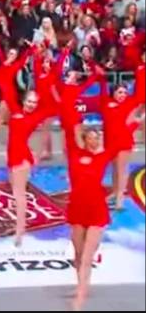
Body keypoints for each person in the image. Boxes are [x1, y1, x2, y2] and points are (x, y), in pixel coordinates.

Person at [64, 127, 127, 311]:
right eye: (91, 137)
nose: (95, 140)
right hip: (77, 209)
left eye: (97, 137)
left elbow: (119, 140)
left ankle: (80, 297)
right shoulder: (74, 154)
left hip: (96, 210)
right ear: (84, 139)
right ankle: (80, 286)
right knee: (78, 253)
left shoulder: (103, 156)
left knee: (86, 258)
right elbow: (70, 129)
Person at [6, 91, 53, 246]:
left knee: (20, 196)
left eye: (34, 102)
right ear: (24, 101)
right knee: (14, 191)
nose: (31, 105)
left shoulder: (36, 116)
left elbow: (57, 106)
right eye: (29, 101)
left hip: (21, 158)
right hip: (12, 156)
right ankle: (18, 223)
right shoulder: (15, 111)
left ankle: (20, 230)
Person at [99, 79, 141, 210]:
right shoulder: (105, 103)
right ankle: (114, 192)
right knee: (114, 170)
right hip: (110, 143)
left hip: (123, 142)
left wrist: (136, 122)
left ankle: (119, 199)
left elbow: (133, 120)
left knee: (121, 170)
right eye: (119, 92)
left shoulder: (129, 103)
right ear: (113, 93)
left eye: (124, 92)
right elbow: (102, 88)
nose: (122, 95)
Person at [0, 40, 32, 146]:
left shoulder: (15, 65)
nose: (10, 55)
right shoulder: (3, 62)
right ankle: (19, 139)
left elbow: (24, 58)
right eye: (10, 53)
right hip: (3, 93)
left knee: (0, 119)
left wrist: (31, 47)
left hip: (9, 95)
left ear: (16, 56)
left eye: (13, 54)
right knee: (11, 120)